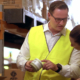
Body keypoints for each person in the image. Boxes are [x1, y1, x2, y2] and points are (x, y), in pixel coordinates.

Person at [16, 1, 80, 80]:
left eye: (65, 19)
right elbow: (21, 57)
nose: (62, 23)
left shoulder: (73, 38)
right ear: (49, 15)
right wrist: (25, 64)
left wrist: (57, 68)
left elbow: (76, 71)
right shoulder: (33, 31)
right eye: (58, 19)